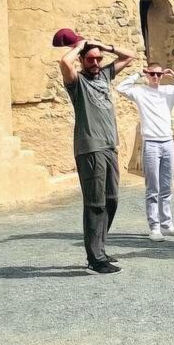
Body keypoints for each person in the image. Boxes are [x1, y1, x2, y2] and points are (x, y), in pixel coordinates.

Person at [59, 36, 134, 274]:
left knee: (111, 200)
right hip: (90, 148)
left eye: (98, 59)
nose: (96, 62)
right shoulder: (76, 82)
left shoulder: (103, 75)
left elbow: (129, 56)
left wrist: (105, 47)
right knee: (95, 203)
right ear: (82, 60)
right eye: (90, 59)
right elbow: (64, 62)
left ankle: (99, 247)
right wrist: (80, 46)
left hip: (109, 147)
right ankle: (95, 258)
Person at [115, 62, 174, 241]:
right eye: (152, 74)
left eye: (159, 74)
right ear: (148, 74)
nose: (155, 77)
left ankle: (167, 224)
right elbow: (120, 88)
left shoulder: (168, 91)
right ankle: (154, 227)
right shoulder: (140, 91)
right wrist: (138, 74)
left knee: (167, 186)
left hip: (168, 142)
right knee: (153, 187)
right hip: (151, 143)